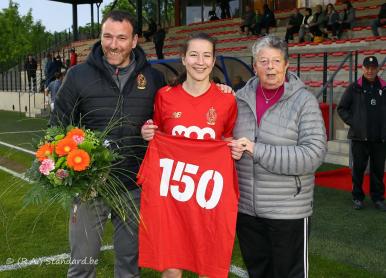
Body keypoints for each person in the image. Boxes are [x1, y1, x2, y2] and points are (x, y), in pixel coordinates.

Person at [52, 10, 166, 277]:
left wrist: (222, 89)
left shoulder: (154, 78)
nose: (113, 45)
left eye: (121, 38)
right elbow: (57, 127)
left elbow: (171, 120)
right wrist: (74, 164)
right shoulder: (78, 75)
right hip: (90, 188)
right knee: (82, 266)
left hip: (133, 188)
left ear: (135, 40)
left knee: (129, 268)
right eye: (107, 37)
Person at [140, 32, 238, 277]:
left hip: (207, 197)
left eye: (207, 55)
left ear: (214, 60)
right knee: (172, 266)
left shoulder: (227, 99)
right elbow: (159, 137)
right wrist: (148, 133)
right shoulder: (165, 96)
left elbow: (227, 139)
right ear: (183, 59)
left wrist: (233, 147)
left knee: (208, 265)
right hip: (172, 196)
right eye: (193, 55)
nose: (200, 61)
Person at [228, 35, 327, 277]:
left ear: (286, 65)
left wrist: (256, 149)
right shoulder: (238, 99)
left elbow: (313, 155)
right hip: (248, 211)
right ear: (254, 65)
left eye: (275, 61)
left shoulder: (304, 101)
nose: (270, 67)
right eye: (263, 61)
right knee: (258, 272)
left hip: (288, 211)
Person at [337, 56, 386, 211]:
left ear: (378, 69)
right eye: (367, 67)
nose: (370, 70)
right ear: (362, 68)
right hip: (360, 138)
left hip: (380, 138)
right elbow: (342, 108)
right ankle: (357, 197)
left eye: (373, 67)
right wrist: (355, 123)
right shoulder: (354, 88)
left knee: (378, 171)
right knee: (358, 169)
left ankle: (377, 198)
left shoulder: (384, 87)